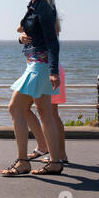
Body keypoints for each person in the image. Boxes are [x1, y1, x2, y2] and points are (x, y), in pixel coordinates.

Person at [1, 0, 63, 176]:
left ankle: (23, 162)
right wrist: (21, 38)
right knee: (45, 113)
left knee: (14, 108)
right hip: (36, 62)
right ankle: (54, 162)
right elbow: (23, 29)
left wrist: (54, 71)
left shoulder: (43, 7)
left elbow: (53, 41)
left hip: (40, 65)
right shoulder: (35, 6)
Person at [21, 31, 68, 164]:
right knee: (24, 108)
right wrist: (20, 37)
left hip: (48, 71)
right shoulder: (34, 22)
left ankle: (60, 153)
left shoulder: (46, 20)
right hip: (36, 70)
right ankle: (44, 146)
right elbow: (21, 29)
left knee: (51, 113)